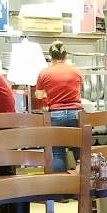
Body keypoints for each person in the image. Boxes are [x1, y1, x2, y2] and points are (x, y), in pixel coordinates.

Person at [34, 41, 83, 172]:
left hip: (55, 115)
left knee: (57, 153)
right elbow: (78, 90)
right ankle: (83, 181)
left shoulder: (44, 73)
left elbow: (38, 95)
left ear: (50, 56)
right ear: (66, 56)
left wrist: (49, 94)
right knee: (80, 152)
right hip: (76, 114)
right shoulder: (76, 72)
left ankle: (59, 183)